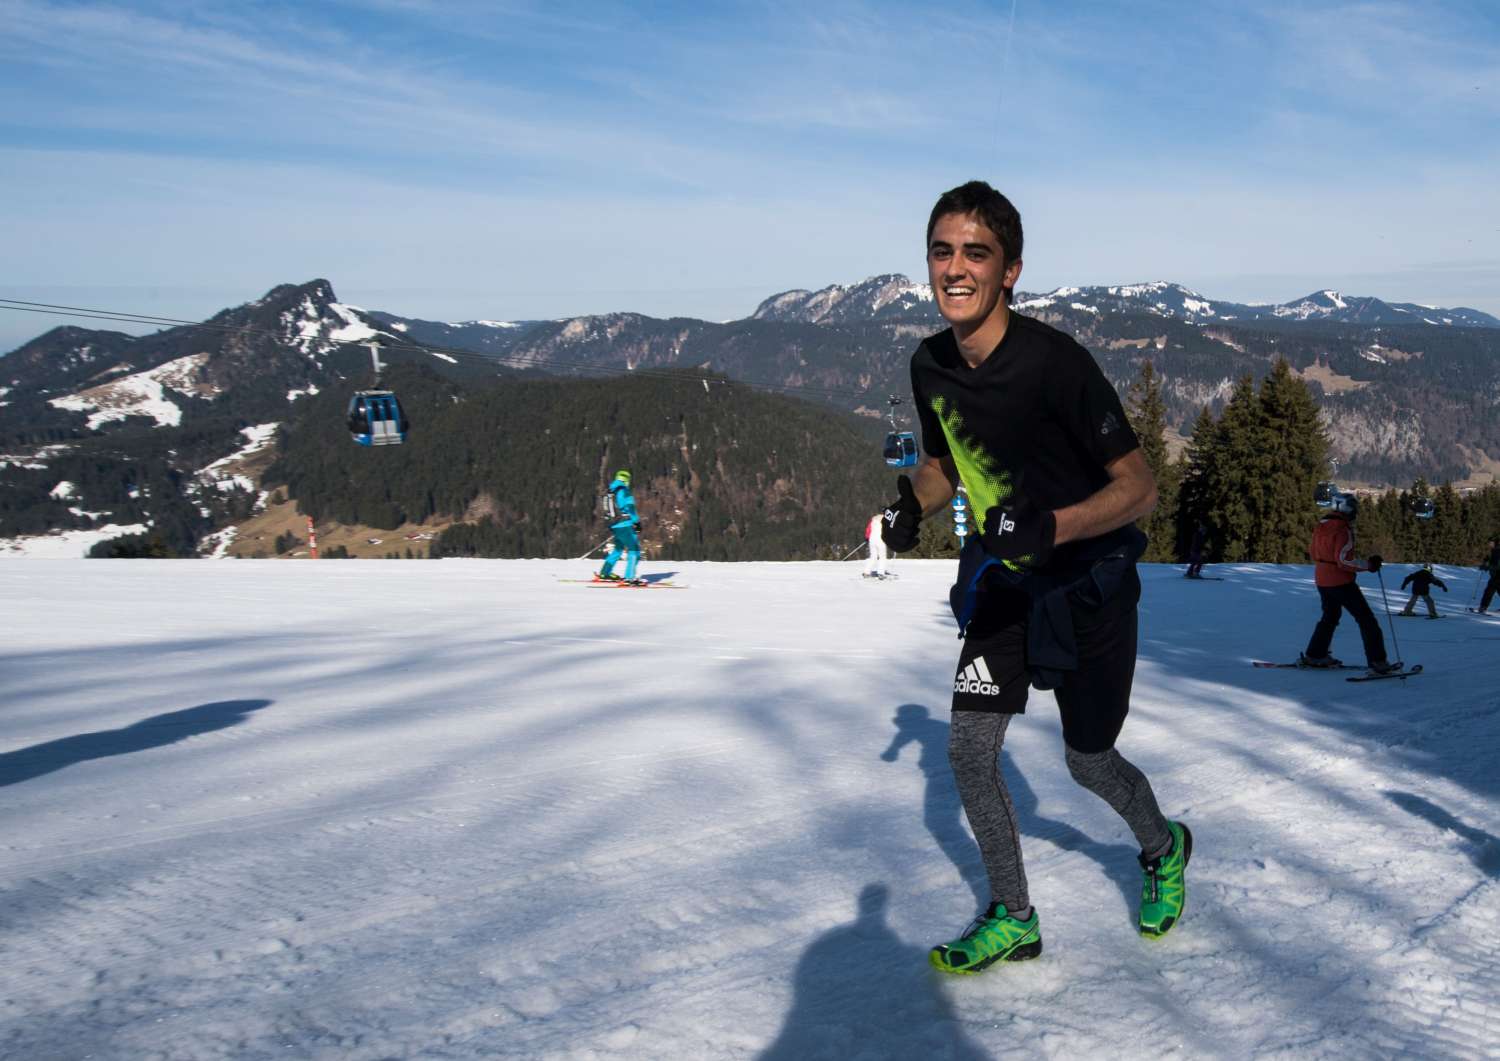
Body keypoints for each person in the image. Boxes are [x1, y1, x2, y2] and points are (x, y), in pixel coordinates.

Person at [880, 180, 1190, 975]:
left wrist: (1051, 525)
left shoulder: (1056, 365)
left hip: (1088, 581)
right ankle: (1014, 914)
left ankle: (1161, 846)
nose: (955, 269)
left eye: (974, 254)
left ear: (1010, 270)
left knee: (1088, 761)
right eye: (942, 251)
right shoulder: (931, 365)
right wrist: (911, 504)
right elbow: (946, 459)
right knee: (967, 751)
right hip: (1003, 583)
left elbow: (1139, 485)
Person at [1299, 492, 1394, 672]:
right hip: (1341, 582)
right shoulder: (1343, 530)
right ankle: (1378, 662)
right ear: (1347, 509)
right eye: (1354, 508)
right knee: (1366, 620)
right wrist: (1369, 565)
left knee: (1330, 617)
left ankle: (1315, 654)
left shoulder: (1321, 526)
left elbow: (1312, 552)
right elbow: (1343, 561)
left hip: (1322, 579)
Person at [597, 469, 642, 584]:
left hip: (614, 524)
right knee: (634, 550)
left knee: (618, 549)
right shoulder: (624, 491)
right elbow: (630, 507)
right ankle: (629, 578)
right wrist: (636, 522)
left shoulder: (610, 491)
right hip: (624, 524)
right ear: (627, 480)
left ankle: (605, 573)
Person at [864, 512, 889, 579]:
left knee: (873, 557)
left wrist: (867, 537)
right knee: (882, 557)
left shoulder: (873, 519)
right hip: (880, 540)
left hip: (872, 540)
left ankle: (866, 572)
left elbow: (868, 530)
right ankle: (881, 573)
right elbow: (888, 531)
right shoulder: (886, 520)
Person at [1479, 537, 1500, 614]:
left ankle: (1483, 607)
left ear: (1495, 543)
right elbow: (1492, 562)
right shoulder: (1494, 551)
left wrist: (1487, 567)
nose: (1489, 544)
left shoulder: (1498, 551)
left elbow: (1498, 565)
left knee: (1489, 591)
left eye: (1491, 542)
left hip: (1498, 575)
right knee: (1490, 591)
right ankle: (1483, 607)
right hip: (1495, 575)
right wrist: (1485, 562)